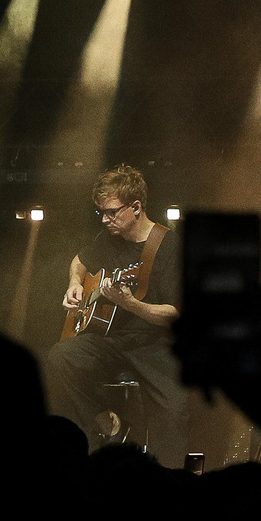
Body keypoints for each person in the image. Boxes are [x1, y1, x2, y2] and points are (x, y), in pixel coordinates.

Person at [43, 162, 183, 463]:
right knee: (60, 357)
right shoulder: (109, 238)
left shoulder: (169, 246)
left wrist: (130, 303)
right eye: (101, 213)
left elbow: (173, 313)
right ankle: (109, 425)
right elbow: (79, 260)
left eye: (112, 212)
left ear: (136, 207)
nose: (105, 220)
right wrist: (74, 284)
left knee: (174, 411)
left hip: (156, 343)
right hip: (113, 339)